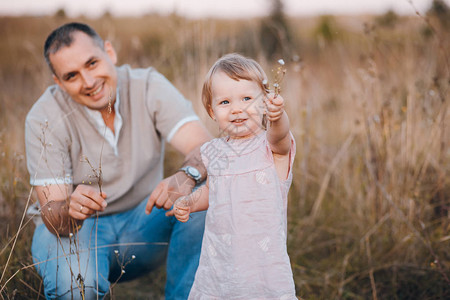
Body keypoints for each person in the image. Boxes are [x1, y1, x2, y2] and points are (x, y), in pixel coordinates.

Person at [25, 22, 211, 299]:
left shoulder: (148, 85)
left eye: (92, 63)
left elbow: (205, 147)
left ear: (109, 52)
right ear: (58, 82)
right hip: (78, 233)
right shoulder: (44, 116)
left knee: (204, 196)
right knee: (77, 289)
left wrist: (186, 176)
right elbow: (53, 218)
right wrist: (70, 209)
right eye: (72, 75)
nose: (88, 82)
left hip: (146, 224)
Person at [168, 53, 297, 299]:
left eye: (247, 99)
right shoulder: (214, 151)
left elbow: (280, 136)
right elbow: (211, 191)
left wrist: (278, 116)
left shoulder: (269, 148)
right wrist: (189, 202)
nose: (237, 109)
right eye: (225, 102)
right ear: (212, 111)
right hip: (220, 260)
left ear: (264, 103)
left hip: (263, 265)